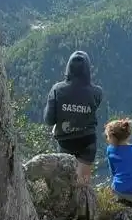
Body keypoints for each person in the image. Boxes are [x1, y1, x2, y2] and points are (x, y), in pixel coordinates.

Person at [43, 50, 104, 185]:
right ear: (88, 69)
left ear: (68, 68)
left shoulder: (57, 90)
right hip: (87, 141)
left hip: (66, 141)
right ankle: (85, 204)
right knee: (83, 183)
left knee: (67, 182)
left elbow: (49, 120)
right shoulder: (97, 92)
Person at [106, 118, 132, 210]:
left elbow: (113, 172)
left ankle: (122, 198)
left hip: (118, 190)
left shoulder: (110, 150)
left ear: (113, 137)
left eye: (108, 136)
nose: (107, 139)